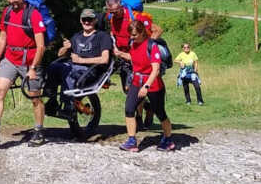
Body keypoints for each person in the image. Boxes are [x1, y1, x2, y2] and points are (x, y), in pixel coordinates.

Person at [0, 0, 47, 148]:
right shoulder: (7, 12)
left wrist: (32, 69)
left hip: (30, 61)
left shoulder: (34, 15)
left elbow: (41, 46)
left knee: (35, 97)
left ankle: (39, 131)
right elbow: (2, 38)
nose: (11, 1)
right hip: (10, 59)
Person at [114, 20, 175, 152]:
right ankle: (131, 141)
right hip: (137, 81)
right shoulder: (133, 44)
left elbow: (156, 70)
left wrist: (146, 86)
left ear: (142, 33)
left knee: (160, 113)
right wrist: (120, 54)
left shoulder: (152, 46)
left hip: (153, 84)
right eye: (130, 35)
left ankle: (168, 139)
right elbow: (134, 57)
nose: (132, 37)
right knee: (129, 109)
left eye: (134, 35)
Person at [46, 8, 113, 112]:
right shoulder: (77, 36)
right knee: (53, 66)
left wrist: (81, 60)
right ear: (81, 20)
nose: (87, 22)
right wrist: (65, 48)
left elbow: (105, 59)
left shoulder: (103, 36)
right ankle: (52, 99)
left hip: (91, 70)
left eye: (90, 19)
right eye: (84, 19)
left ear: (95, 21)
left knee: (68, 71)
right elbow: (60, 55)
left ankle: (68, 105)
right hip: (74, 66)